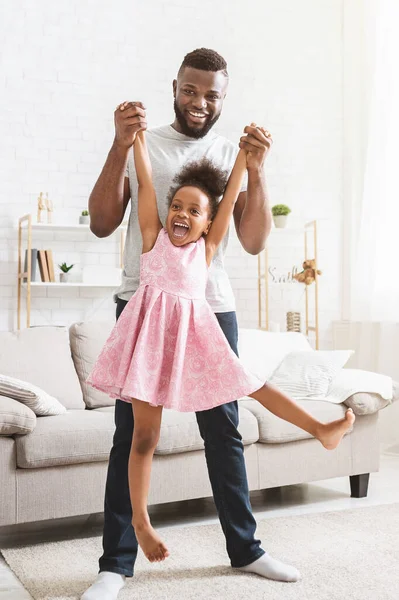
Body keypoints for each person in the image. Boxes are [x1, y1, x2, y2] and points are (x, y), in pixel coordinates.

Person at [82, 47, 304, 600]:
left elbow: (252, 241)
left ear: (223, 98)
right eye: (190, 89)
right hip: (142, 302)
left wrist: (257, 170)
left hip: (211, 308)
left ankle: (246, 549)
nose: (199, 102)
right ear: (174, 86)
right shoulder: (145, 142)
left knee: (222, 429)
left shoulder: (232, 153)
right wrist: (118, 143)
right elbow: (104, 224)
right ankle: (115, 563)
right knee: (131, 435)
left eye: (211, 94)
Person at [86, 124, 355, 567]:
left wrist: (248, 164)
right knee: (143, 436)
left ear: (209, 224)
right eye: (178, 206)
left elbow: (230, 198)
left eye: (194, 211)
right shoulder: (152, 242)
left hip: (197, 337)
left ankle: (322, 430)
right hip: (150, 343)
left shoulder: (206, 251)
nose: (182, 215)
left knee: (253, 386)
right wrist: (135, 140)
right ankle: (139, 521)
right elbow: (147, 184)